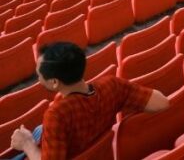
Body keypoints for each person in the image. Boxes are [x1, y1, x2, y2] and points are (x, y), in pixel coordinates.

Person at [10, 42, 170, 160]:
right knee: (40, 130)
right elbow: (162, 102)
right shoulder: (112, 85)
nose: (37, 78)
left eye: (39, 75)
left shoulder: (57, 115)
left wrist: (27, 144)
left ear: (54, 82)